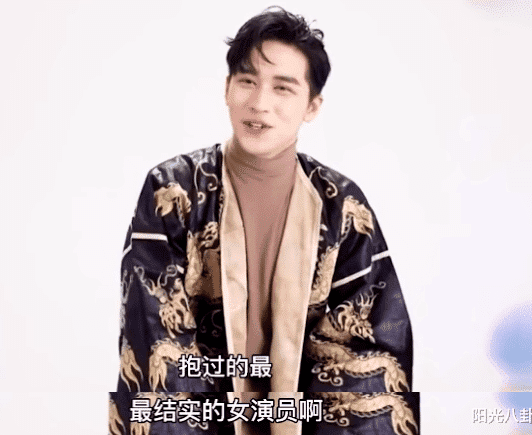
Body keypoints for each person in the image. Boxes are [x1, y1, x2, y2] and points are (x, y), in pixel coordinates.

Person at [110, 6, 419, 435]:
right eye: (247, 81)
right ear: (227, 88)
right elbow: (156, 332)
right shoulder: (174, 190)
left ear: (312, 106)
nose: (259, 104)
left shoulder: (341, 206)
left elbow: (367, 346)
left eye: (283, 88)